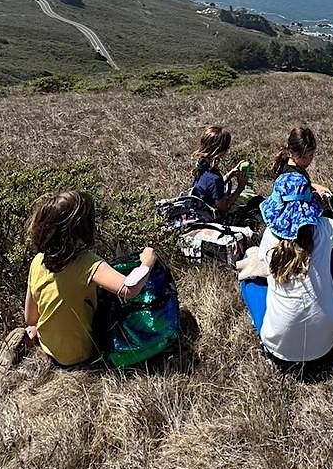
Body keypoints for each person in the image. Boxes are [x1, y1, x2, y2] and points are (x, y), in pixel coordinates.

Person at [24, 190, 157, 367]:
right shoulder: (87, 263)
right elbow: (129, 289)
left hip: (48, 347)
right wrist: (147, 263)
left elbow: (30, 318)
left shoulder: (37, 261)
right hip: (78, 356)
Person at [239, 171, 333, 366]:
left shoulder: (270, 237)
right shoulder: (324, 227)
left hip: (280, 349)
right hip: (328, 341)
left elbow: (267, 269)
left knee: (249, 282)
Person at [189, 124, 246, 215]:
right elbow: (224, 208)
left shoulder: (200, 166)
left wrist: (229, 175)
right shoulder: (215, 178)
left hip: (196, 209)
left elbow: (210, 188)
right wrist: (240, 187)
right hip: (208, 216)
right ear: (222, 150)